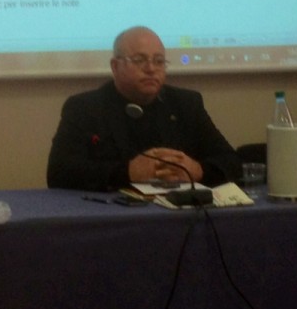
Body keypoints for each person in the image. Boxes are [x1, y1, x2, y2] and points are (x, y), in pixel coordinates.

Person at [47, 26, 241, 192]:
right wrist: (128, 172)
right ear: (115, 66)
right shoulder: (85, 108)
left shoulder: (186, 104)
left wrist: (198, 170)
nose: (151, 68)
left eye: (159, 61)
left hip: (179, 213)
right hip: (114, 214)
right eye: (139, 60)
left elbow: (232, 162)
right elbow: (59, 173)